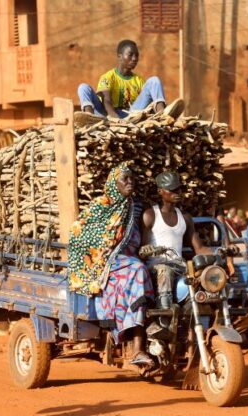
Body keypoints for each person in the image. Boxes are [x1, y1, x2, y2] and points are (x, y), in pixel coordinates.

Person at [68, 163, 154, 367]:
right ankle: (137, 348)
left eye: (132, 178)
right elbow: (78, 233)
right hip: (107, 262)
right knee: (138, 270)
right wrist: (100, 251)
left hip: (130, 259)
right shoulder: (101, 205)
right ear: (114, 184)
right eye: (125, 179)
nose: (130, 182)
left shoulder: (137, 207)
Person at [141, 171, 211, 311]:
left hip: (179, 266)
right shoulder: (150, 215)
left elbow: (198, 247)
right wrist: (147, 250)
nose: (177, 192)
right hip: (157, 267)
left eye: (178, 189)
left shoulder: (185, 217)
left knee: (201, 280)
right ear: (160, 191)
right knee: (164, 270)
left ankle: (195, 320)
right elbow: (142, 249)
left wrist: (218, 252)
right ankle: (164, 315)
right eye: (172, 190)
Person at [76, 39, 183, 120]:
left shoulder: (139, 80)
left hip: (130, 115)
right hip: (107, 115)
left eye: (137, 55)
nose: (134, 59)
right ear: (120, 56)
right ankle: (88, 118)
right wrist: (116, 119)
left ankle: (163, 116)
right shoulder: (107, 77)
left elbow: (145, 104)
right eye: (130, 55)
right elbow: (106, 102)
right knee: (83, 87)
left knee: (154, 81)